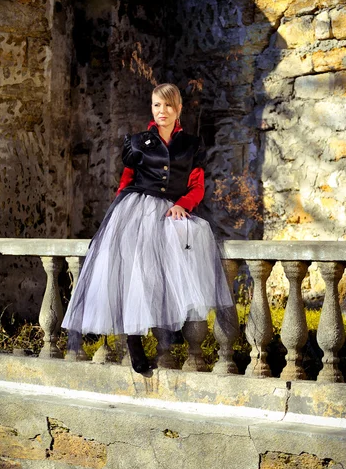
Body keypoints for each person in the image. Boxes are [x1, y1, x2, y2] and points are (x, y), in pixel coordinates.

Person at [62, 83, 233, 373]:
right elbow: (126, 182)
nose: (161, 111)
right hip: (137, 207)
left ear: (178, 109)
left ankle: (174, 320)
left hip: (171, 207)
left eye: (167, 105)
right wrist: (115, 219)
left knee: (190, 240)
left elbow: (197, 186)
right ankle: (133, 339)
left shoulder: (192, 145)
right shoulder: (138, 142)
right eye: (156, 105)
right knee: (136, 268)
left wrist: (183, 205)